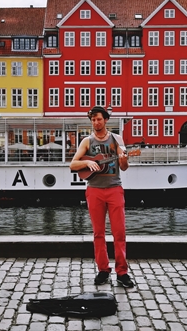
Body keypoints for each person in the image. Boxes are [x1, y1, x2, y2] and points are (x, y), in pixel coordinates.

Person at [70, 106, 134, 288]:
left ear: (106, 119)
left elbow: (124, 167)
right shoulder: (87, 141)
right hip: (94, 190)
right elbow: (73, 164)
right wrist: (87, 161)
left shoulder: (117, 139)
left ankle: (122, 272)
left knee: (119, 232)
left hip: (114, 189)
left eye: (99, 119)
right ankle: (103, 270)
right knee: (98, 233)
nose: (96, 122)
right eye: (93, 120)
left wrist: (123, 158)